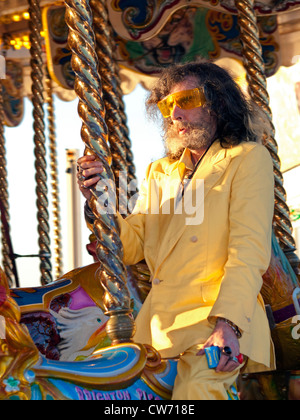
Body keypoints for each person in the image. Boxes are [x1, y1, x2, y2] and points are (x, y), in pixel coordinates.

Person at [77, 60, 275, 400]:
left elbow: (248, 249)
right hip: (158, 326)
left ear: (217, 103)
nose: (175, 114)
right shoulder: (161, 171)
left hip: (212, 322)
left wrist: (228, 324)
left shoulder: (247, 158)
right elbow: (132, 246)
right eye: (168, 105)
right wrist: (101, 197)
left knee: (197, 392)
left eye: (187, 101)